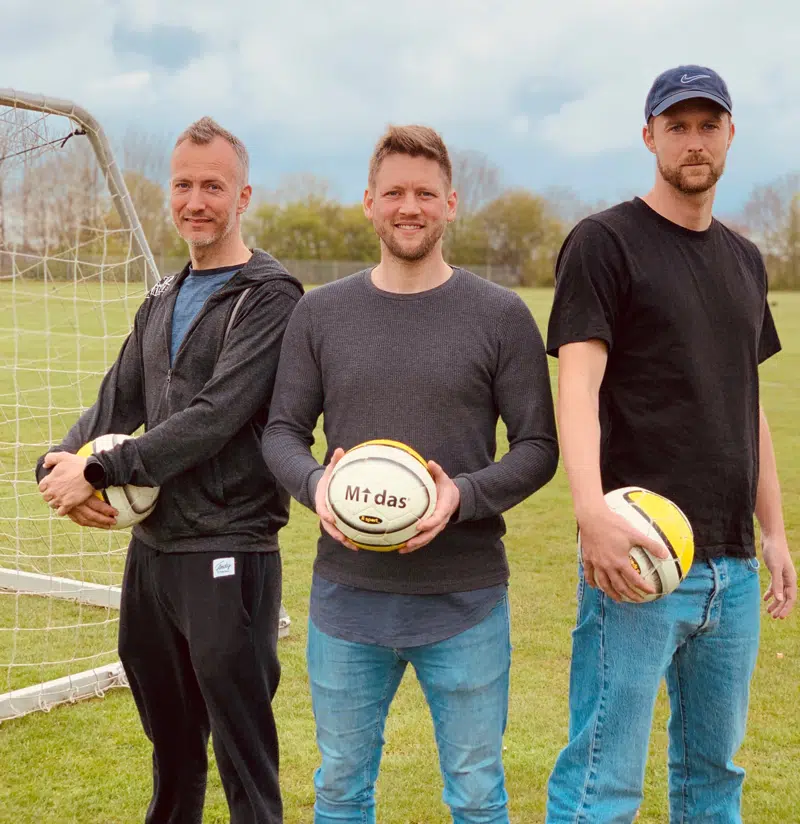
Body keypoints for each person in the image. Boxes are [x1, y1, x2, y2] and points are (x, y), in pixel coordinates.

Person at [262, 124, 559, 824]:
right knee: (339, 790)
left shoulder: (500, 315)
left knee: (479, 794)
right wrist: (315, 486)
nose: (409, 207)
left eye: (425, 193)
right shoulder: (320, 313)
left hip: (467, 601)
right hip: (347, 600)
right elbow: (281, 433)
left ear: (451, 203)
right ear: (368, 202)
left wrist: (461, 497)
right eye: (393, 192)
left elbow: (538, 446)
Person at [545, 66, 797, 823]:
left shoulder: (746, 260)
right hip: (639, 557)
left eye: (707, 125)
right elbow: (578, 386)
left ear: (730, 135)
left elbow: (746, 406)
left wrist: (776, 532)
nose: (694, 141)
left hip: (733, 569)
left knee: (713, 778)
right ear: (649, 135)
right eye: (677, 126)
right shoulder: (603, 243)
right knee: (603, 779)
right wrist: (590, 512)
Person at [36, 117, 303, 824]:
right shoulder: (160, 296)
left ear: (243, 195)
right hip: (152, 553)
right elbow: (114, 401)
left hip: (228, 545)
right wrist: (55, 464)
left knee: (243, 751)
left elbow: (216, 416)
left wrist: (99, 474)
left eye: (212, 186)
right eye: (183, 185)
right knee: (172, 748)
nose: (195, 200)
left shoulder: (269, 296)